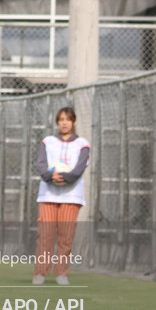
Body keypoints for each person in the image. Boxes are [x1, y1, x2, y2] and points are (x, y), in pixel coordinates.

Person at [33, 107, 90, 286]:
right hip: (48, 195)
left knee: (66, 236)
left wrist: (65, 177)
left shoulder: (82, 144)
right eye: (61, 119)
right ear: (57, 122)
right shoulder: (48, 141)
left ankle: (62, 273)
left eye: (68, 119)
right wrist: (51, 176)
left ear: (73, 121)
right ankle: (40, 273)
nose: (64, 122)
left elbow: (80, 168)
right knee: (45, 235)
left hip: (71, 196)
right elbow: (41, 164)